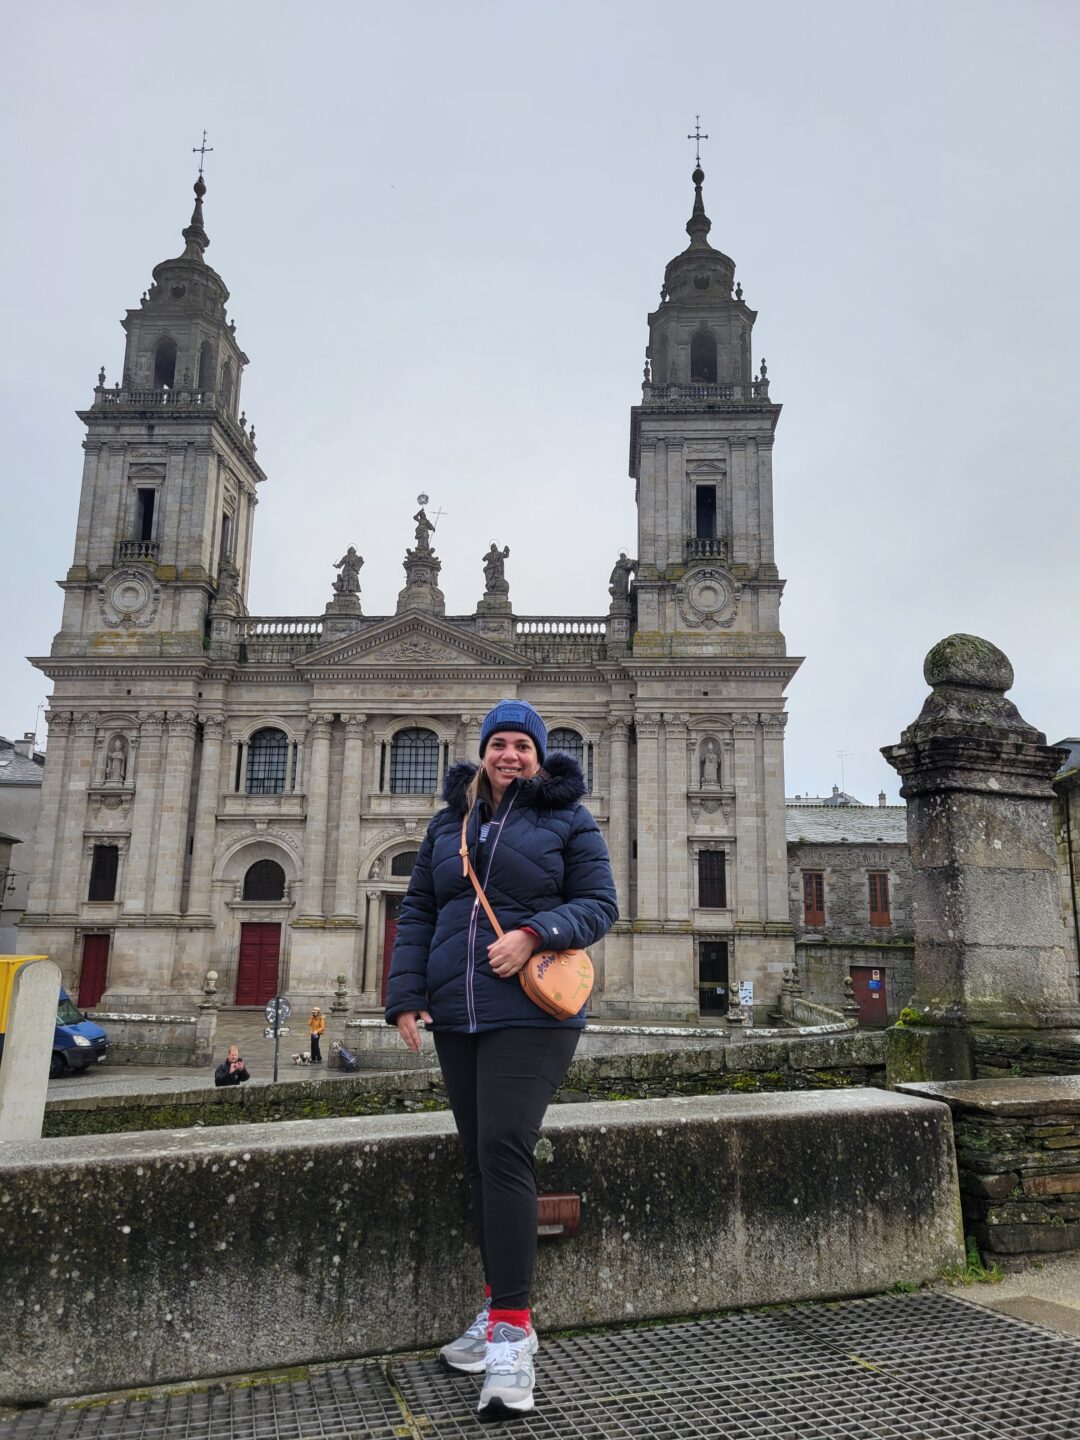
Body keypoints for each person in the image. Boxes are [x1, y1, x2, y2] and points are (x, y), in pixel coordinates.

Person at [385, 699, 617, 1417]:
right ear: (482, 751)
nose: (509, 754)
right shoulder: (448, 823)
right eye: (499, 744)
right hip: (458, 1012)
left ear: (540, 755)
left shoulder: (569, 819)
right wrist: (404, 994)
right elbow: (420, 908)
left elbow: (601, 905)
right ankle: (494, 1314)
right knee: (480, 1161)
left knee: (506, 1149)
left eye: (522, 744)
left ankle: (514, 1337)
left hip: (535, 1011)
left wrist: (534, 932)